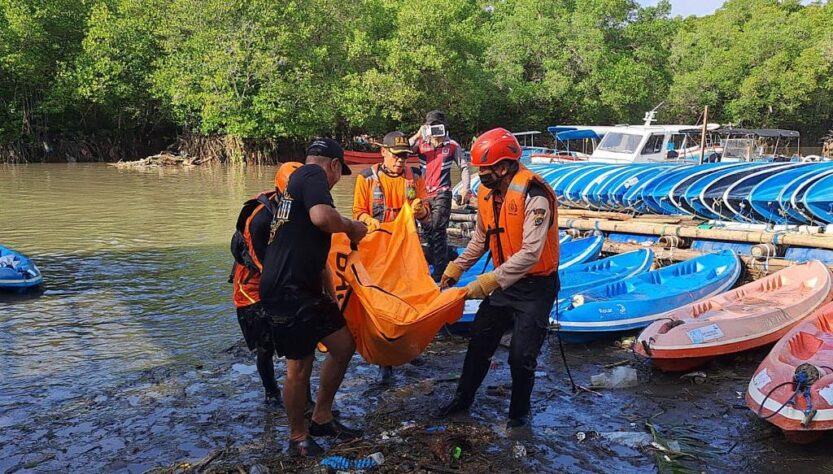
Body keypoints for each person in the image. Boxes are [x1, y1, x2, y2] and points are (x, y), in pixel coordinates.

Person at [436, 128, 561, 430]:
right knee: (479, 341)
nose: (480, 174)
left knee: (521, 357)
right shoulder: (487, 195)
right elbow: (481, 239)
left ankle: (518, 416)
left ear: (503, 167)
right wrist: (456, 268)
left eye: (484, 169)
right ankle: (462, 400)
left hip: (535, 288)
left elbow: (530, 253)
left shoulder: (534, 196)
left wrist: (486, 282)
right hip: (505, 285)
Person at [259, 138, 368, 457]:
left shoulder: (297, 188)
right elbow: (323, 217)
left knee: (343, 346)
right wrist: (351, 227)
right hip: (286, 290)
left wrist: (333, 299)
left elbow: (317, 258)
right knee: (299, 366)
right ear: (333, 165)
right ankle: (298, 438)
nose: (335, 182)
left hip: (307, 289)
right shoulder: (311, 175)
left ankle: (321, 418)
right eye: (338, 174)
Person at [352, 131, 430, 384]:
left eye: (404, 156)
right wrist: (368, 219)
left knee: (411, 298)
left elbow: (427, 215)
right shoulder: (367, 178)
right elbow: (358, 212)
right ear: (383, 152)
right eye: (396, 156)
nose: (400, 161)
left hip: (407, 250)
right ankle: (385, 360)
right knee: (382, 305)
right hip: (378, 251)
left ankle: (410, 348)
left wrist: (420, 210)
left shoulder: (415, 176)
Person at [230, 161, 302, 409]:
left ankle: (302, 395)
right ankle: (271, 392)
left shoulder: (294, 207)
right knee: (265, 344)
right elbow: (267, 266)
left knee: (298, 341)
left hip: (281, 276)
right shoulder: (260, 220)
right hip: (251, 287)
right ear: (282, 192)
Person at [409, 110, 471, 281]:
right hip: (423, 194)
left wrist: (466, 188)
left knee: (438, 229)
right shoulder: (420, 144)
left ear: (444, 127)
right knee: (427, 230)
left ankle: (439, 272)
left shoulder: (452, 146)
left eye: (439, 126)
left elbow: (464, 167)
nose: (436, 130)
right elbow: (403, 151)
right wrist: (417, 134)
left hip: (443, 193)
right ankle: (448, 254)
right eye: (432, 126)